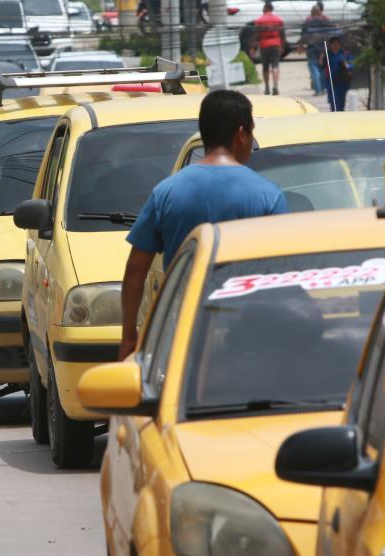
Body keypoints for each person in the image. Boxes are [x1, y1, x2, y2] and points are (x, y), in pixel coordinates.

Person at [118, 90, 288, 359]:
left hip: (183, 336)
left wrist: (129, 335)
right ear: (241, 133)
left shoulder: (166, 192)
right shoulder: (267, 195)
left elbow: (135, 268)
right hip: (249, 338)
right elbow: (283, 271)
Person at [298, 5, 334, 95]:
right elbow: (331, 35)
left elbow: (303, 36)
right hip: (324, 47)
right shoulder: (326, 21)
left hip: (312, 47)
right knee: (322, 70)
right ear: (320, 12)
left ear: (312, 12)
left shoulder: (308, 22)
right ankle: (322, 89)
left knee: (314, 69)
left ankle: (318, 90)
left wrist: (300, 46)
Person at [254, 1, 285, 95]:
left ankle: (267, 87)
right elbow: (282, 34)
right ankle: (275, 86)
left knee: (265, 67)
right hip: (276, 44)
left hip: (264, 45)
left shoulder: (259, 20)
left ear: (266, 8)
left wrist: (255, 44)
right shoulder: (278, 20)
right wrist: (282, 45)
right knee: (275, 65)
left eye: (263, 8)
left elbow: (257, 35)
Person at [321, 36, 354, 112]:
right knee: (333, 102)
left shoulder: (345, 54)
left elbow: (351, 65)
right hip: (331, 82)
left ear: (340, 44)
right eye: (333, 44)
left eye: (336, 44)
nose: (335, 46)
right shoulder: (327, 54)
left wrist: (346, 64)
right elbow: (321, 65)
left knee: (341, 102)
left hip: (342, 82)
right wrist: (321, 58)